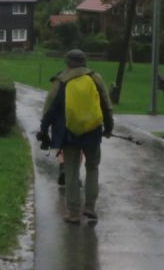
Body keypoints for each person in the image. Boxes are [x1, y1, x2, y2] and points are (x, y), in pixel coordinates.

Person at [38, 49, 114, 224]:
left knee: (71, 170)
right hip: (92, 132)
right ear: (84, 62)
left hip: (68, 134)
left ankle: (73, 213)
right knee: (93, 168)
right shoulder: (96, 79)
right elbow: (106, 105)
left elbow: (49, 107)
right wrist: (108, 128)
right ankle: (90, 207)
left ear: (68, 63)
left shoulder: (61, 81)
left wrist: (44, 129)